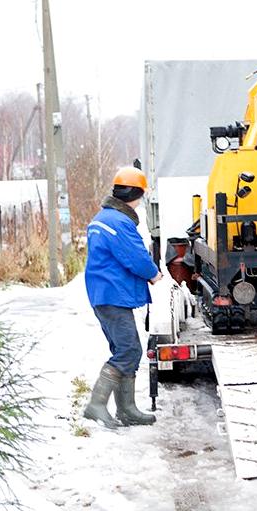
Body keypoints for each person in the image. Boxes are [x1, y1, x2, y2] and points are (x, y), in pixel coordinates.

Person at [83, 166, 162, 428]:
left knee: (123, 348)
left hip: (104, 294)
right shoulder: (119, 222)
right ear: (135, 193)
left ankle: (126, 410)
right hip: (112, 294)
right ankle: (96, 404)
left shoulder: (102, 218)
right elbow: (135, 257)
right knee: (129, 350)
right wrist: (154, 274)